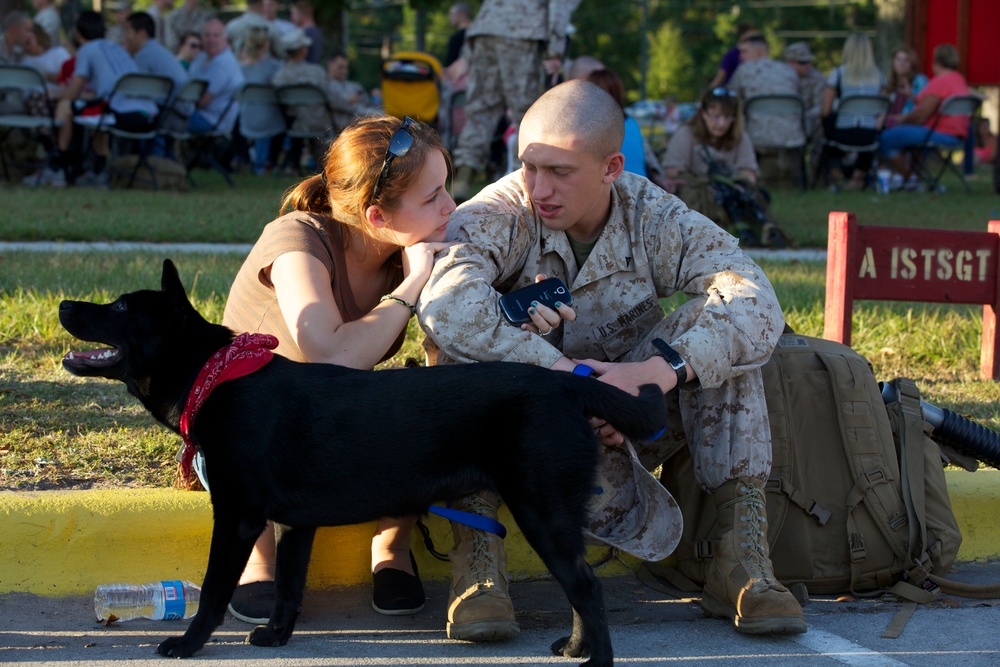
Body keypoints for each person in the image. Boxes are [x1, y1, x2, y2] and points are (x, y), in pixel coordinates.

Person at [420, 79, 804, 642]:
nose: (539, 187)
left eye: (561, 171)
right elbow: (444, 305)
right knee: (459, 350)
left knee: (718, 330)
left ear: (611, 167)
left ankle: (741, 562)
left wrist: (651, 375)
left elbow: (756, 299)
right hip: (529, 434)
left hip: (628, 429)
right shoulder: (502, 210)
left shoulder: (651, 213)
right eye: (530, 166)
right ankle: (477, 570)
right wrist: (578, 385)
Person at [220, 115, 455, 623]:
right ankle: (255, 562)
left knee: (423, 400)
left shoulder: (410, 244)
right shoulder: (297, 239)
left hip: (330, 417)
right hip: (252, 426)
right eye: (433, 195)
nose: (450, 207)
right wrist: (411, 287)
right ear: (376, 215)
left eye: (447, 188)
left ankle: (391, 551)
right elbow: (327, 351)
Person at [450, 0, 579, 202]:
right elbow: (559, 7)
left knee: (480, 111)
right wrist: (555, 51)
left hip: (485, 30)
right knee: (528, 114)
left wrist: (467, 52)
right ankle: (526, 187)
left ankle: (463, 180)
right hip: (523, 33)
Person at [46, 10, 158, 188]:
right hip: (150, 116)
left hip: (121, 114)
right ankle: (97, 168)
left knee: (66, 105)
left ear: (78, 33)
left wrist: (54, 94)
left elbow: (73, 92)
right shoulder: (117, 49)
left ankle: (59, 163)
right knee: (98, 110)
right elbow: (107, 91)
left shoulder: (86, 50)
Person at [662, 86, 781, 247]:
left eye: (727, 117)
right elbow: (672, 170)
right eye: (716, 116)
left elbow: (750, 173)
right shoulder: (686, 133)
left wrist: (732, 181)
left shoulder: (739, 137)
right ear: (704, 114)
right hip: (700, 195)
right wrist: (706, 182)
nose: (722, 123)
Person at [879, 43, 970, 188]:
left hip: (939, 133)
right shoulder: (959, 80)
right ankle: (910, 177)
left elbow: (922, 115)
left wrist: (900, 119)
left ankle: (911, 178)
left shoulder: (939, 82)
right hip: (959, 135)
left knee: (885, 138)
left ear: (937, 62)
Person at [584, 68, 670, 191]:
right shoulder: (632, 123)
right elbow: (650, 162)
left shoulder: (585, 129)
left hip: (612, 196)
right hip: (643, 194)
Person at [819, 33, 885, 190]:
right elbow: (882, 107)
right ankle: (859, 177)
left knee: (828, 128)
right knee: (867, 137)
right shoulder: (879, 76)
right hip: (869, 133)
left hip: (844, 131)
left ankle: (834, 177)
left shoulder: (838, 74)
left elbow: (825, 110)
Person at [272, 28, 340, 174]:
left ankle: (293, 164)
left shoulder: (279, 76)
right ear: (303, 50)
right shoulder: (317, 72)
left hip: (293, 124)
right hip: (320, 123)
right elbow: (332, 99)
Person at [727, 33, 803, 153]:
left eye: (744, 52)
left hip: (756, 140)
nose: (740, 57)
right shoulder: (789, 71)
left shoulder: (743, 69)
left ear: (758, 52)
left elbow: (730, 101)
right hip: (792, 139)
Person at [236, 26, 283, 174]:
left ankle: (248, 160)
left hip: (245, 118)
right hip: (270, 120)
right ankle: (267, 164)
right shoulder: (274, 67)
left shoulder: (239, 69)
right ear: (265, 44)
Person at [187, 17, 243, 135]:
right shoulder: (202, 57)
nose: (210, 39)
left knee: (165, 120)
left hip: (212, 121)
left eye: (216, 35)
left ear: (225, 39)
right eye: (207, 35)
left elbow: (201, 102)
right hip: (198, 113)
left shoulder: (223, 63)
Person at [123, 11, 189, 97]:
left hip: (170, 106)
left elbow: (135, 90)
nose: (125, 37)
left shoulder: (144, 55)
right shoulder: (156, 49)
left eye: (128, 31)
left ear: (142, 34)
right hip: (182, 102)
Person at [782, 41, 825, 147]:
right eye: (802, 62)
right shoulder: (780, 78)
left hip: (809, 121)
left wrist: (804, 118)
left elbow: (821, 106)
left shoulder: (817, 78)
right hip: (785, 121)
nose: (808, 65)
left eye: (809, 61)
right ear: (790, 62)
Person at [326, 51, 379, 129]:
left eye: (345, 68)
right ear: (330, 65)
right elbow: (332, 104)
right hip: (350, 123)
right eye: (340, 67)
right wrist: (348, 101)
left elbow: (369, 103)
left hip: (367, 115)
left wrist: (376, 98)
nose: (344, 71)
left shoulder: (354, 85)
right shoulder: (326, 85)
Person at [884, 46, 928, 123]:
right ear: (893, 62)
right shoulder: (888, 83)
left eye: (906, 60)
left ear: (912, 64)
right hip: (889, 123)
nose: (901, 63)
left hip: (911, 123)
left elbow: (927, 107)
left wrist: (911, 96)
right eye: (898, 59)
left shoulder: (920, 80)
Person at [708, 23, 759, 89]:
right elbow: (719, 78)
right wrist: (706, 96)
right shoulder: (732, 54)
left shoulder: (757, 54)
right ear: (742, 36)